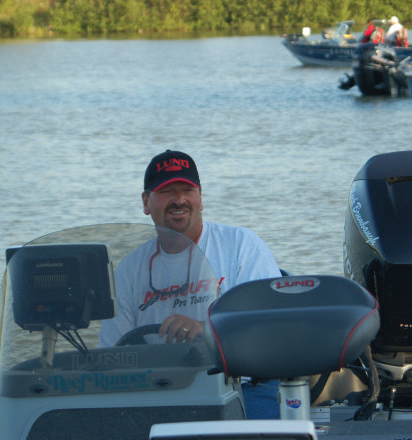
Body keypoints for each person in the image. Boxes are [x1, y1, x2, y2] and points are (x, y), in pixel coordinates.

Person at [98, 149, 283, 418]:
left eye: (188, 190)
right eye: (166, 191)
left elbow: (268, 332)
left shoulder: (242, 245)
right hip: (160, 393)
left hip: (244, 387)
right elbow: (111, 357)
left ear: (200, 198)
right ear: (146, 202)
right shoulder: (128, 269)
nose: (179, 200)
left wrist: (207, 333)